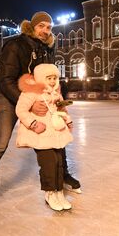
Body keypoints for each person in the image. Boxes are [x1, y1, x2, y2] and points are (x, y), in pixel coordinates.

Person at [0, 11, 81, 226]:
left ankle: (61, 177)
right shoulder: (15, 45)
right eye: (42, 26)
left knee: (55, 132)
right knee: (0, 144)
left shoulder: (46, 49)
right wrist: (28, 102)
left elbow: (48, 79)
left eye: (49, 27)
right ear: (32, 26)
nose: (46, 30)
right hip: (10, 97)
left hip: (38, 98)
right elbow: (5, 81)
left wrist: (56, 101)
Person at [15, 64, 74, 211]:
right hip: (41, 134)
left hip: (57, 133)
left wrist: (68, 120)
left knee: (59, 163)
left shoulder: (55, 93)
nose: (53, 81)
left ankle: (59, 192)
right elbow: (20, 110)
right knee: (49, 164)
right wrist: (33, 124)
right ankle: (49, 193)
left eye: (55, 78)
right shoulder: (31, 92)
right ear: (41, 78)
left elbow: (62, 109)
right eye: (49, 78)